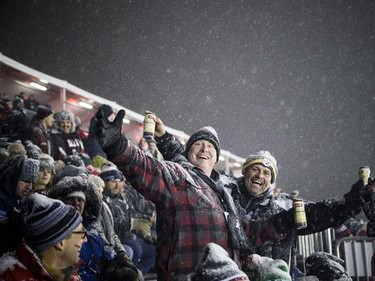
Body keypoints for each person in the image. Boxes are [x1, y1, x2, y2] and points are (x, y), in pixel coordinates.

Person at [92, 108, 290, 280]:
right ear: (188, 154)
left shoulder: (224, 194)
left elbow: (248, 230)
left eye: (211, 146)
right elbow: (143, 166)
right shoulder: (177, 176)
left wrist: (284, 222)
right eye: (198, 144)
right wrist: (117, 144)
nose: (205, 149)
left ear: (216, 159)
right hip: (184, 275)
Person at [48, 176, 131, 281]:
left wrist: (119, 265)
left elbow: (106, 254)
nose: (76, 203)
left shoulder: (92, 230)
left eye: (80, 199)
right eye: (70, 199)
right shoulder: (57, 232)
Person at [0, 192, 86, 281]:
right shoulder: (11, 276)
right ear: (60, 242)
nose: (85, 240)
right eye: (82, 234)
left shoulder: (67, 272)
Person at [100, 161, 156, 276]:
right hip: (112, 241)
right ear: (104, 182)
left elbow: (131, 216)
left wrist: (145, 235)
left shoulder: (122, 196)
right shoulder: (102, 200)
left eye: (119, 181)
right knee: (133, 249)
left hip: (127, 237)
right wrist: (132, 223)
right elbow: (110, 224)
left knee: (153, 248)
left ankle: (138, 276)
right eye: (112, 181)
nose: (117, 185)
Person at [0, 154, 39, 256]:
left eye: (32, 182)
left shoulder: (17, 198)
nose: (29, 187)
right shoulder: (2, 200)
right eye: (25, 180)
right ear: (13, 176)